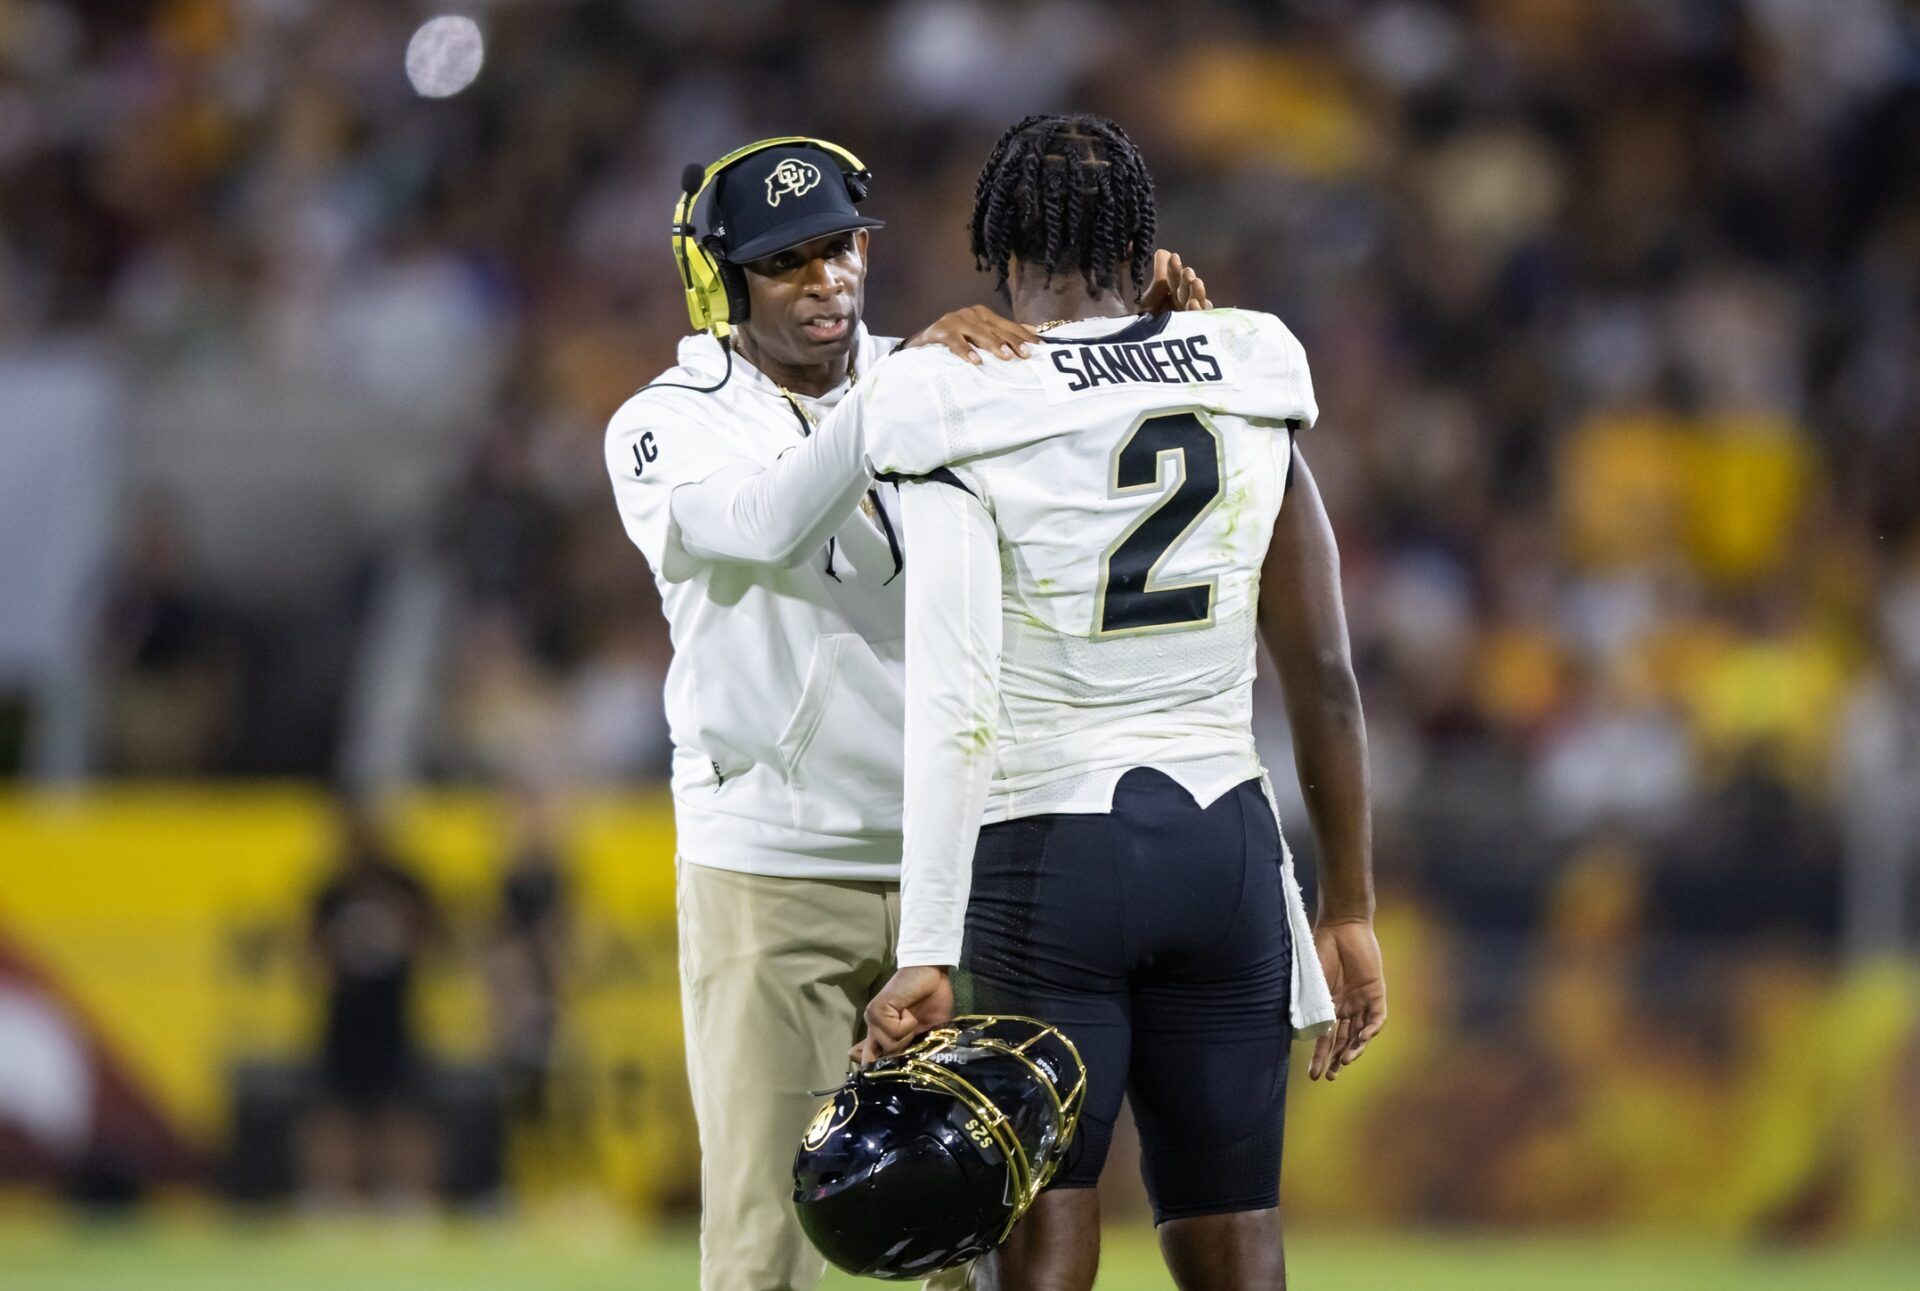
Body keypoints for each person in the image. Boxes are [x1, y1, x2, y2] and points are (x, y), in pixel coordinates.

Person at [850, 115, 1388, 1289]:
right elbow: (1328, 678)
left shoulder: (944, 386)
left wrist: (928, 942)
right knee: (1234, 1219)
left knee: (1037, 1212)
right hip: (1230, 850)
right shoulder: (1248, 359)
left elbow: (956, 698)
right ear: (1143, 244)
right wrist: (1347, 902)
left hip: (1050, 846)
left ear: (1001, 247)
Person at [300, 800, 443, 1211]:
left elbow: (433, 941)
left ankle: (407, 1193)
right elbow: (311, 950)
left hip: (395, 1013)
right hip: (343, 1016)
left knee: (402, 1109)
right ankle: (330, 1193)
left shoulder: (407, 885)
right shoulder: (331, 890)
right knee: (335, 1110)